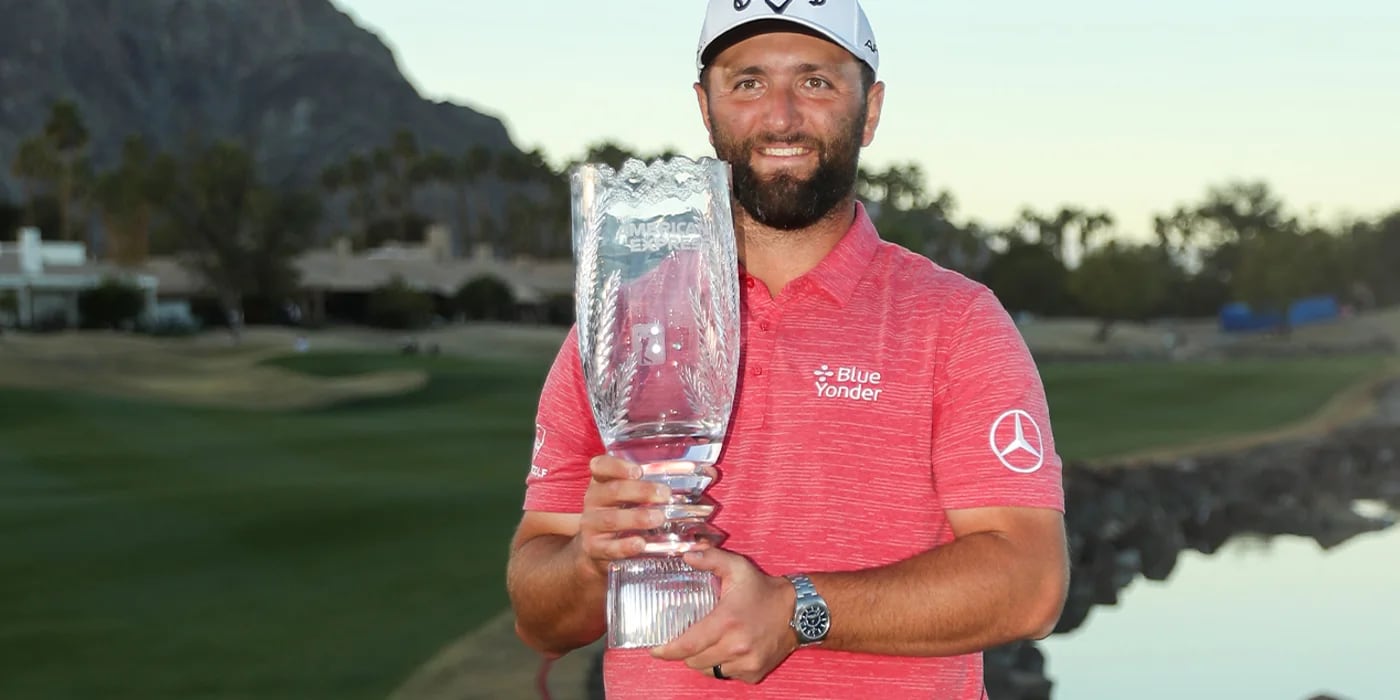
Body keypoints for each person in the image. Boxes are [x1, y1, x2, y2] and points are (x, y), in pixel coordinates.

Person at [506, 1, 1070, 697]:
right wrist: (592, 561)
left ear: (870, 109)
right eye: (747, 83)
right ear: (705, 107)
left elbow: (1031, 582)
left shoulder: (954, 320)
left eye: (816, 82)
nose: (779, 117)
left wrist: (796, 609)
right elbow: (540, 617)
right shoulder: (622, 318)